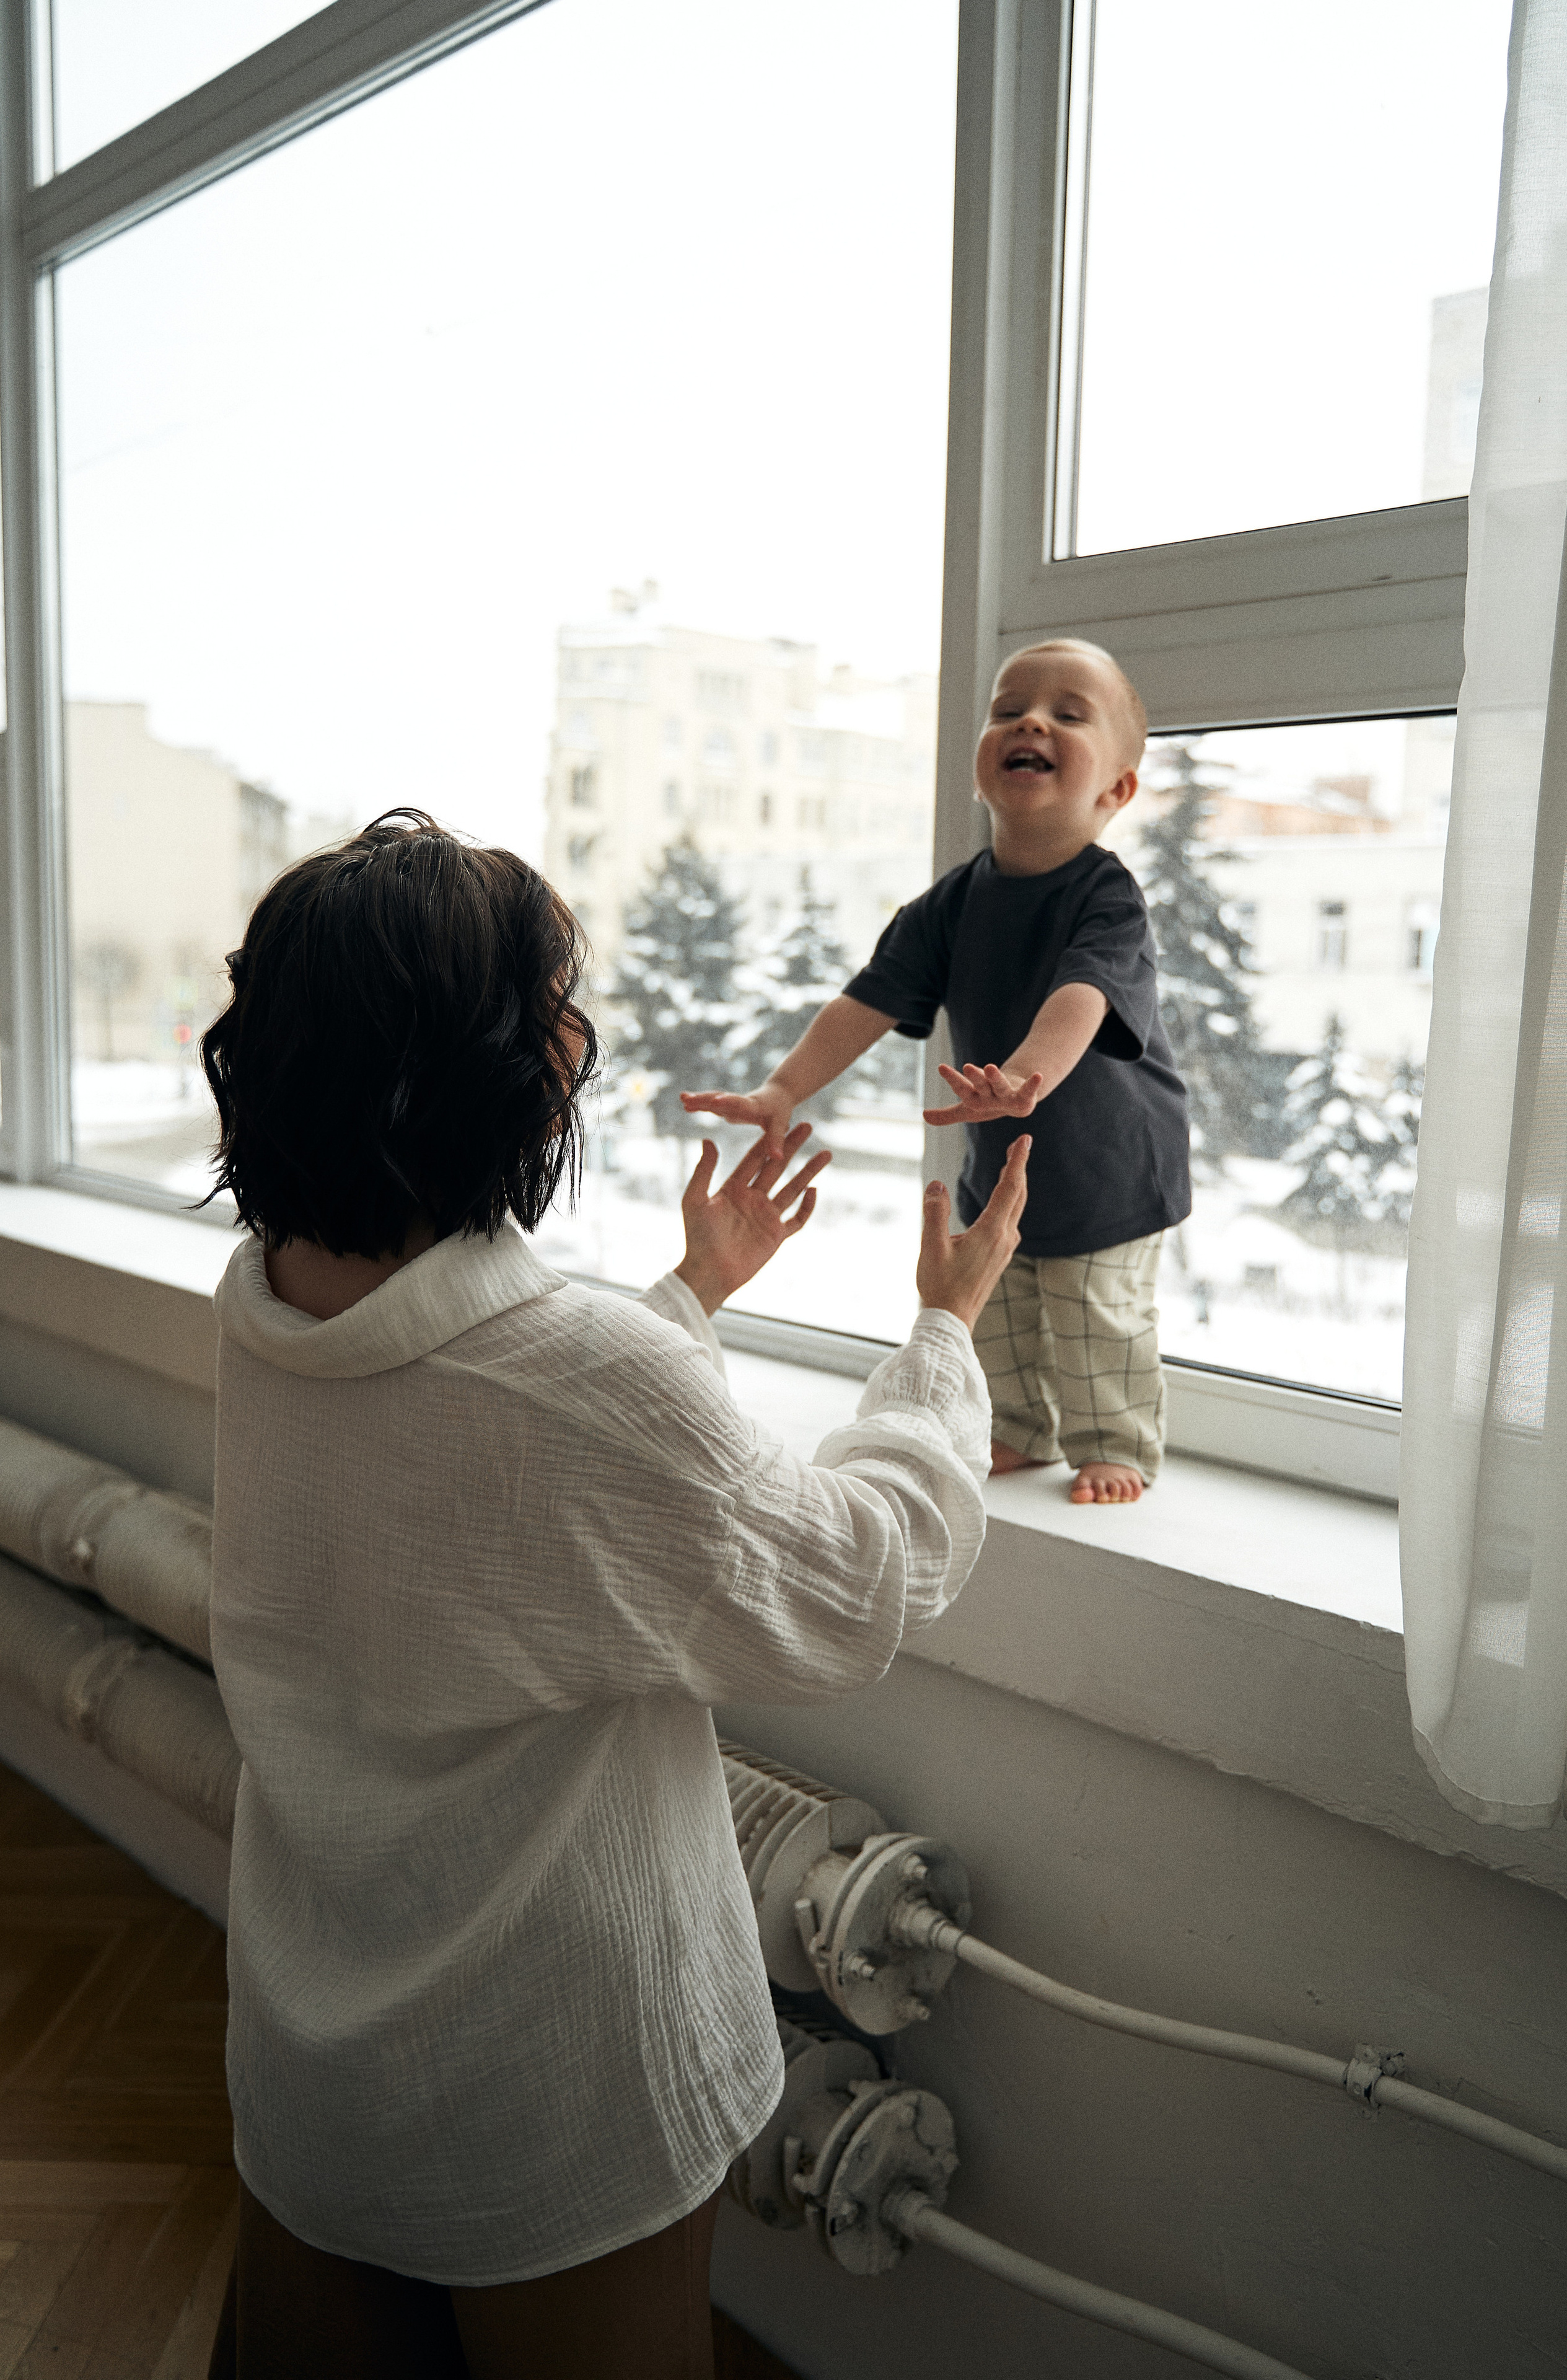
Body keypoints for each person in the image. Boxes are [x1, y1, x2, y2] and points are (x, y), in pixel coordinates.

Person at [199, 809, 1029, 2380]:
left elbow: (488, 1494)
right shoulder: (583, 1383)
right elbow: (853, 1581)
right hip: (550, 2095)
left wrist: (687, 1300)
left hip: (320, 2046)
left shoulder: (266, 1306)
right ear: (479, 1068)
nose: (577, 1038)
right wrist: (941, 1333)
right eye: (554, 1008)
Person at [683, 638, 1191, 1505]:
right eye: (1009, 710)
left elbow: (1084, 997)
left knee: (1096, 1314)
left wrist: (1026, 1075)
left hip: (1110, 1162)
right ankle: (1021, 1428)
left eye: (1069, 714)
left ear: (1116, 791)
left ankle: (1117, 1443)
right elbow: (864, 1004)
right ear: (981, 765)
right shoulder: (951, 904)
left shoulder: (1107, 897)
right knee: (1000, 1303)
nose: (1031, 720)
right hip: (1001, 1152)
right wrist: (783, 1090)